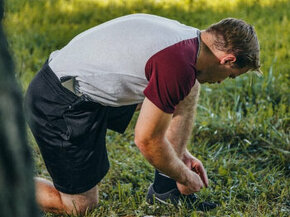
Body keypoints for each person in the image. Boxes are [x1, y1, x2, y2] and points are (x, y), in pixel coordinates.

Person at [24, 13, 261, 215]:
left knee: (189, 89)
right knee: (79, 206)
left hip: (89, 89)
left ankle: (165, 191)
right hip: (59, 102)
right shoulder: (177, 64)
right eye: (230, 76)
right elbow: (147, 140)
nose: (221, 82)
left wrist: (178, 156)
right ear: (227, 59)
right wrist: (186, 178)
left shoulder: (192, 42)